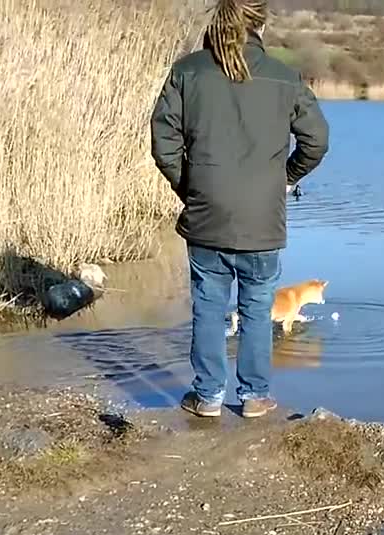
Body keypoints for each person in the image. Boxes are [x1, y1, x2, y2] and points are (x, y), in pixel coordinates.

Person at [150, 0, 329, 419]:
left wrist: (191, 186)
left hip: (207, 211)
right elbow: (317, 141)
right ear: (260, 24)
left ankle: (208, 396)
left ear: (217, 22)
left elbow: (163, 141)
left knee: (209, 306)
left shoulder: (188, 70)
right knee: (256, 305)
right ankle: (255, 397)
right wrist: (285, 179)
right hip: (262, 218)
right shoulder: (285, 78)